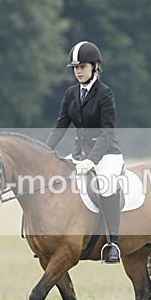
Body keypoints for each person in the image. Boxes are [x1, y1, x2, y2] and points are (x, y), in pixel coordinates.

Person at [45, 41, 124, 263]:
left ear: (95, 66)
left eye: (82, 67)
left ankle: (113, 244)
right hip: (80, 155)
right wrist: (43, 152)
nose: (78, 71)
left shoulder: (105, 94)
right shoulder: (71, 93)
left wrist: (92, 160)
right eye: (75, 68)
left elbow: (107, 133)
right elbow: (61, 126)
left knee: (106, 184)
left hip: (107, 154)